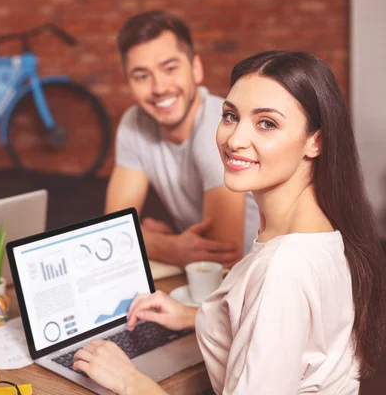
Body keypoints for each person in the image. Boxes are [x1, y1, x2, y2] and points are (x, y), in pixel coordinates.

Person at [74, 51, 386, 394]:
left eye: (267, 123)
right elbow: (292, 335)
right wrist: (198, 317)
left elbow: (279, 299)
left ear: (316, 140)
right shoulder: (321, 231)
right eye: (231, 116)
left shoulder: (283, 270)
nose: (235, 140)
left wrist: (129, 381)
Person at [105, 11, 259, 266]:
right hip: (207, 279)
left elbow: (219, 256)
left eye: (169, 69)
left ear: (196, 69)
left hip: (260, 278)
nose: (159, 88)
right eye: (142, 76)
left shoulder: (218, 128)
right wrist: (169, 246)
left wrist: (149, 241)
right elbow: (111, 230)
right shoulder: (135, 123)